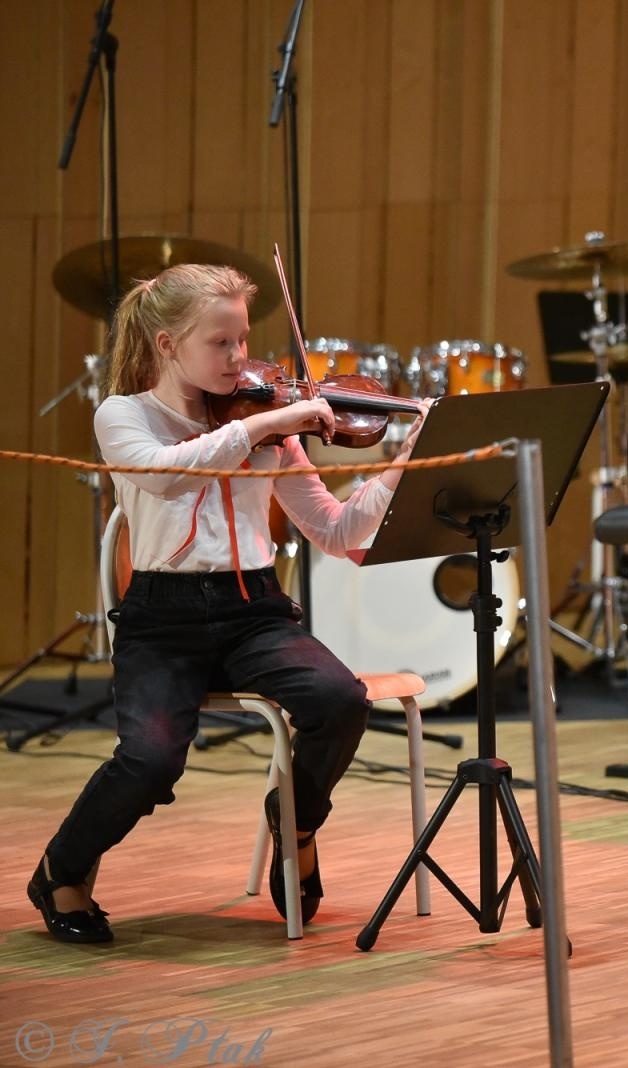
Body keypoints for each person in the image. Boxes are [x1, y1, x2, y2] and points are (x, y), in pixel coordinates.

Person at [26, 263, 429, 943]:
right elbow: (165, 478)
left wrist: (402, 461)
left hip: (254, 613)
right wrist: (270, 423)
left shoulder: (265, 423)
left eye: (243, 340)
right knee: (149, 761)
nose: (241, 359)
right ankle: (59, 871)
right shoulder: (125, 416)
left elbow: (336, 531)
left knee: (340, 701)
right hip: (162, 621)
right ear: (165, 345)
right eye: (221, 344)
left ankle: (294, 823)